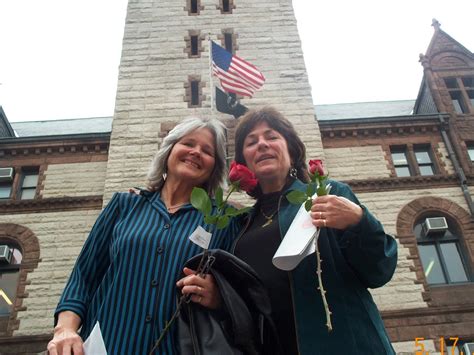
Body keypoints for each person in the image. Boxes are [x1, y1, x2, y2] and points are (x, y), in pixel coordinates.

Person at [47, 117, 241, 355]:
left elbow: (237, 293)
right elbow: (84, 275)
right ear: (169, 150)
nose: (196, 152)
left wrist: (218, 296)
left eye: (207, 150)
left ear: (215, 166)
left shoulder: (223, 219)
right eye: (188, 143)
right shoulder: (124, 205)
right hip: (107, 346)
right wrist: (65, 330)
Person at [230, 106, 398, 355]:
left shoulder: (327, 194)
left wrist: (358, 223)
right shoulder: (240, 225)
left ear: (291, 150)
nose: (262, 144)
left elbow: (379, 271)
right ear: (244, 162)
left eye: (272, 136)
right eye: (251, 142)